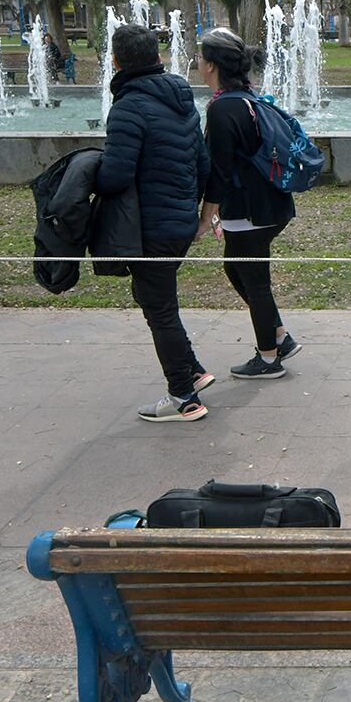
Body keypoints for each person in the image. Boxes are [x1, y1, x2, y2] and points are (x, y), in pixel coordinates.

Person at [96, 24, 214, 422]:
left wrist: (86, 171)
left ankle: (183, 397)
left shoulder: (129, 107)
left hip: (151, 229)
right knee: (157, 301)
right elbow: (202, 164)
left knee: (158, 307)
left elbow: (114, 176)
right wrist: (195, 213)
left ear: (115, 61)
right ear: (157, 56)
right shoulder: (182, 99)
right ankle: (193, 372)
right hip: (179, 222)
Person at [195, 28, 302, 379]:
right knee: (236, 269)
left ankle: (269, 357)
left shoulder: (224, 109)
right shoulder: (246, 98)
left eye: (199, 56)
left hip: (250, 211)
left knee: (254, 281)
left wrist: (206, 217)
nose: (196, 61)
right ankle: (280, 338)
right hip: (271, 204)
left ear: (210, 65)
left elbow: (220, 173)